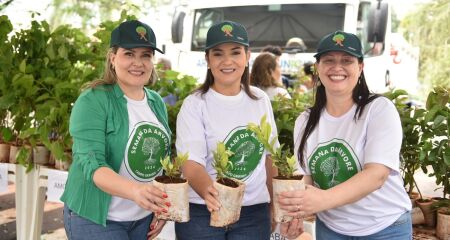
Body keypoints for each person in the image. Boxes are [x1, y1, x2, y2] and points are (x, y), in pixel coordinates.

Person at [174, 20, 303, 240]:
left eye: (235, 52)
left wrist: (274, 205)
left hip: (253, 214)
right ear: (207, 60)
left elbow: (269, 157)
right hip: (202, 213)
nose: (227, 61)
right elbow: (190, 165)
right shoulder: (195, 104)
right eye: (218, 54)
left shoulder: (260, 99)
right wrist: (215, 196)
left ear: (247, 56)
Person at [278, 30, 412, 239]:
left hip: (385, 228)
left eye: (347, 60)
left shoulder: (378, 110)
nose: (337, 67)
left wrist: (322, 200)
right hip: (331, 229)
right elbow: (305, 178)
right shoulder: (305, 120)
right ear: (317, 68)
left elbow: (376, 175)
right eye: (329, 60)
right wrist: (295, 215)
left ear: (360, 67)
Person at [60, 20, 172, 240]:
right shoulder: (93, 100)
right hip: (98, 219)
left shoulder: (156, 102)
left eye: (146, 55)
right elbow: (91, 164)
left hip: (142, 219)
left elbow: (161, 163)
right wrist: (135, 191)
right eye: (129, 54)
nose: (138, 63)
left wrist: (161, 207)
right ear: (113, 58)